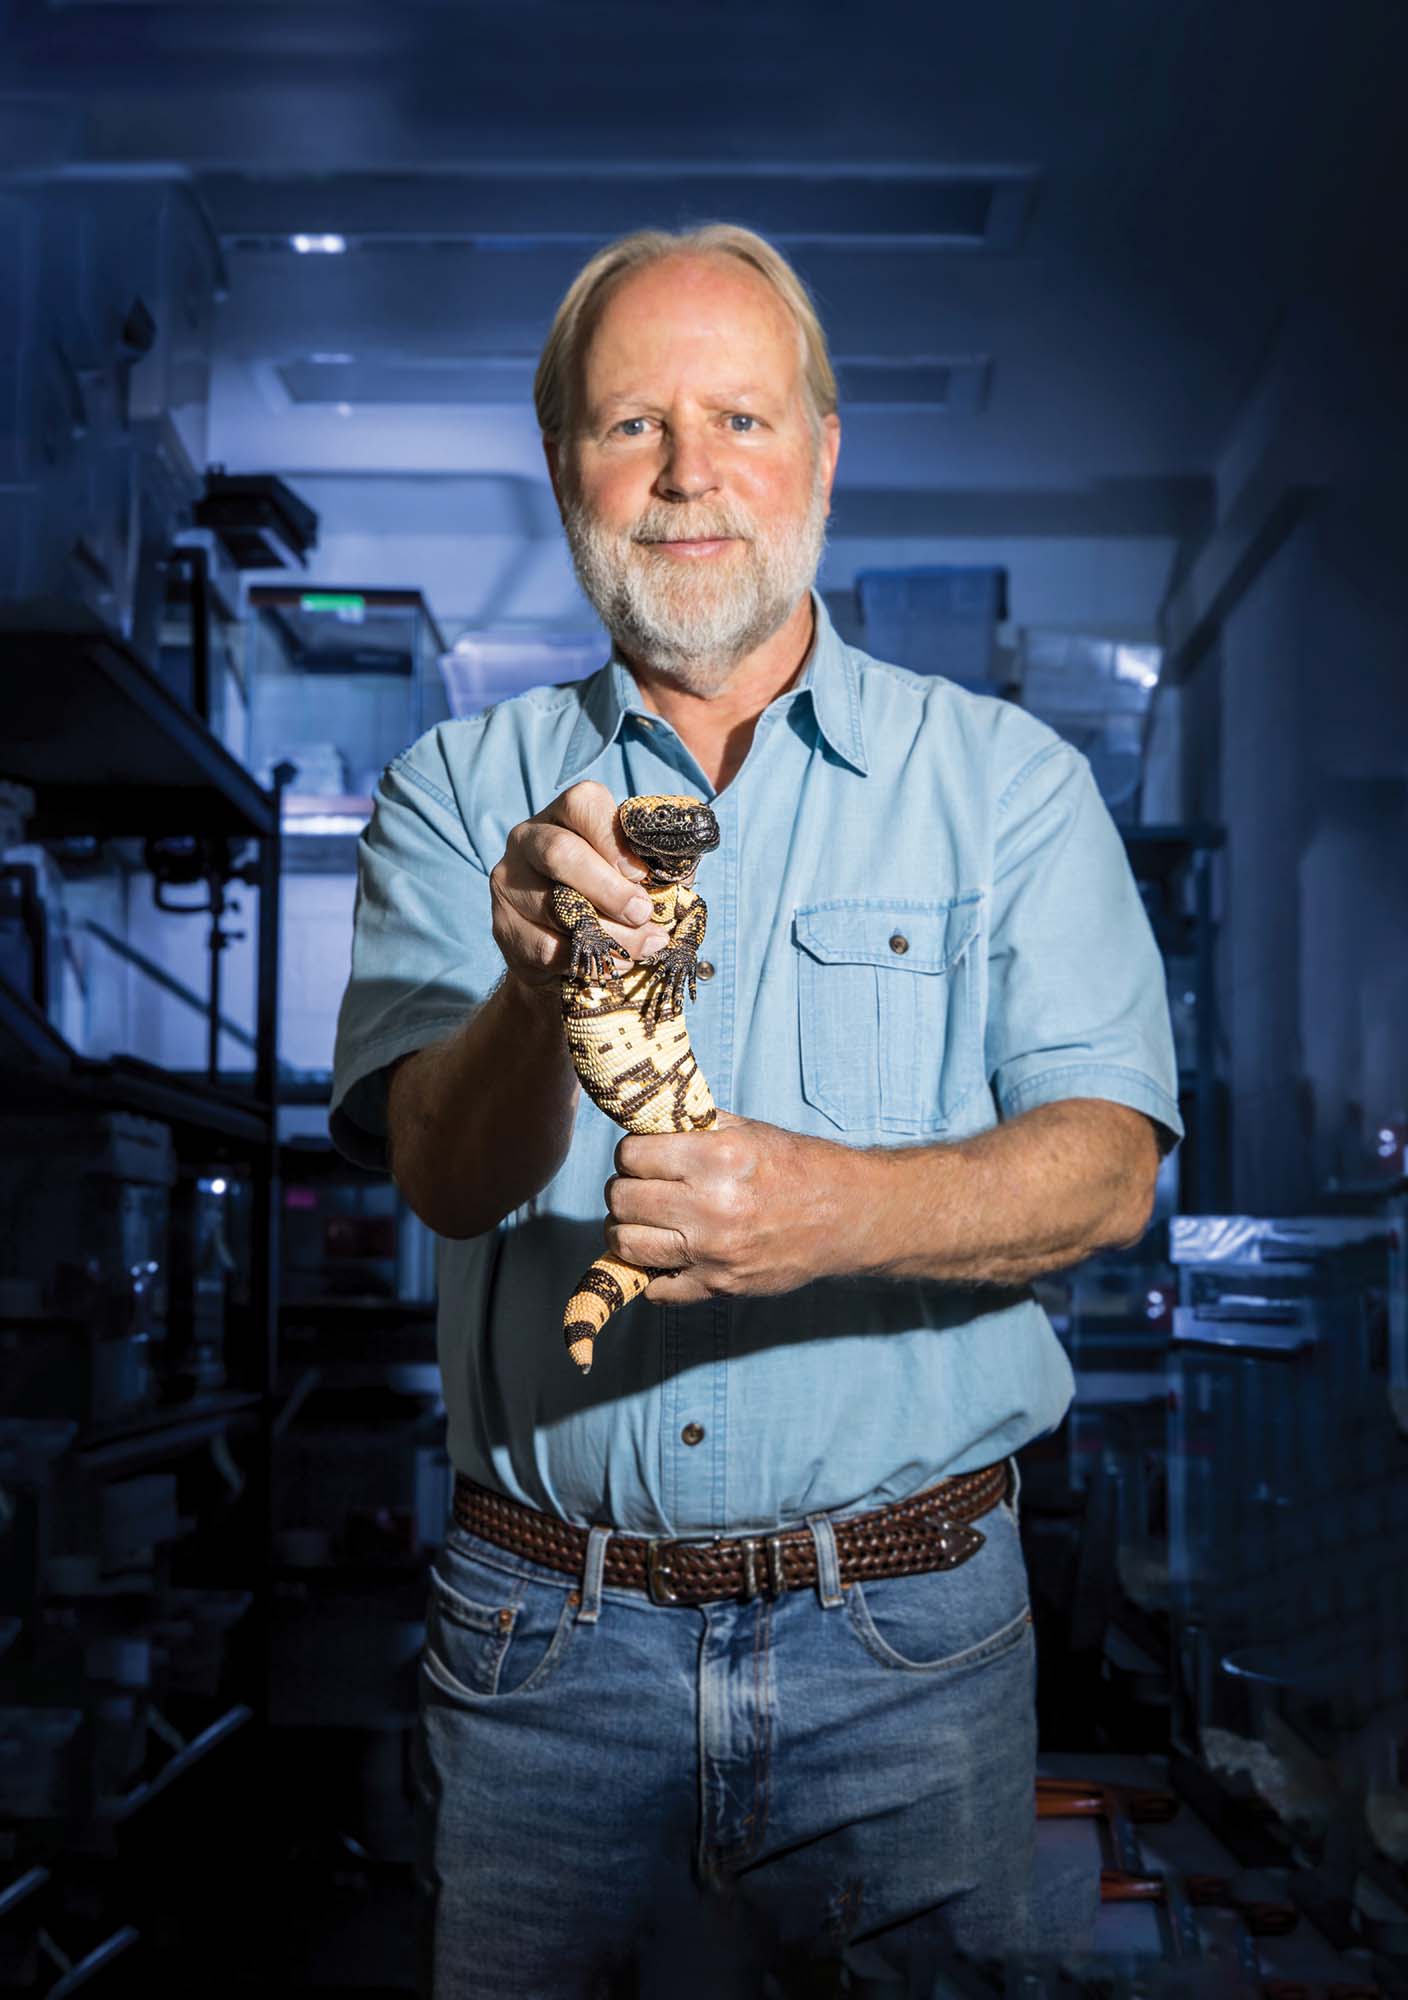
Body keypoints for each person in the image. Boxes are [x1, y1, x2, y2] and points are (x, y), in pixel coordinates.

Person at [329, 222, 1182, 1999]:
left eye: (739, 416)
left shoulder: (1007, 786)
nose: (688, 475)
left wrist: (836, 1211)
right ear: (561, 458)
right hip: (540, 1650)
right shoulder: (455, 788)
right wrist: (538, 991)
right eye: (631, 424)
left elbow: (1110, 1169)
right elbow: (442, 1175)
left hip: (912, 1644)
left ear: (826, 447)